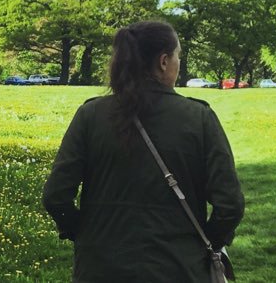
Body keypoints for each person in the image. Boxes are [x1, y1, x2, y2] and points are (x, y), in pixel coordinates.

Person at [43, 20, 244, 282]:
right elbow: (230, 205)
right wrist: (206, 243)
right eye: (178, 56)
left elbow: (56, 196)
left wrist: (84, 234)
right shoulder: (199, 118)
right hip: (179, 268)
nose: (178, 63)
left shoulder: (90, 116)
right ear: (163, 61)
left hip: (100, 268)